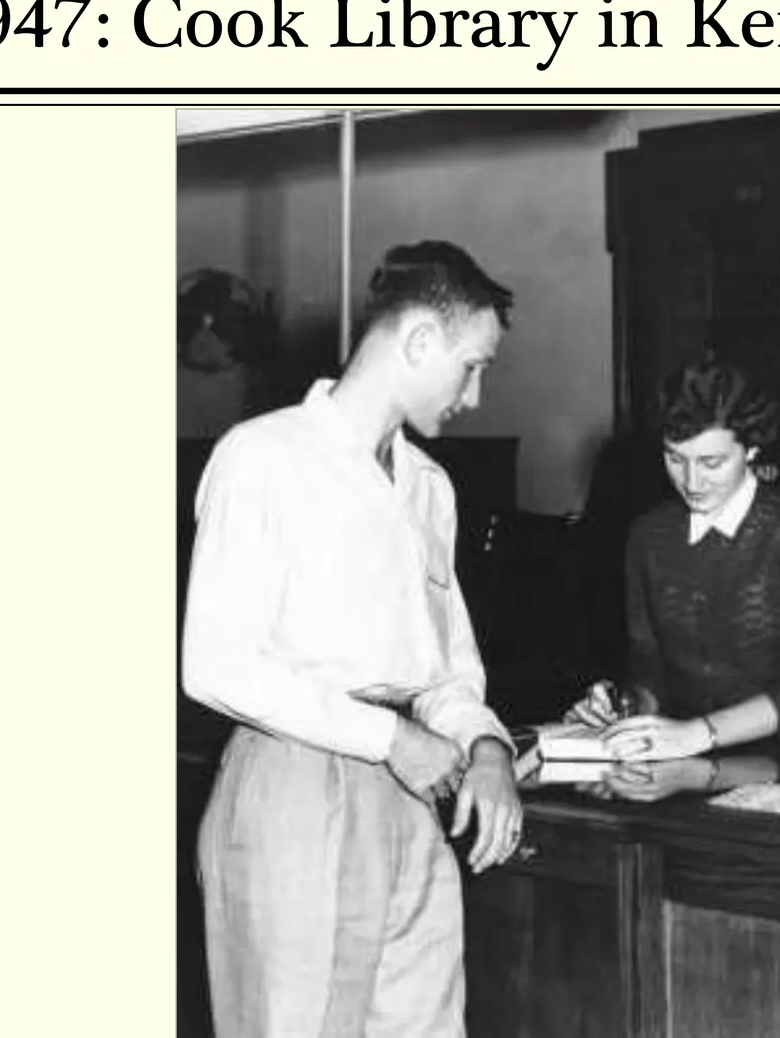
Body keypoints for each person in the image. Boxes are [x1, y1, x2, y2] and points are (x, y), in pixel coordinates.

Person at [182, 240, 525, 1038]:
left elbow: (447, 669)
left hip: (414, 793)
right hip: (295, 787)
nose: (475, 396)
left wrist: (487, 748)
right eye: (472, 366)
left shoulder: (430, 489)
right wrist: (387, 738)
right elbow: (215, 663)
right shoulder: (263, 457)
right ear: (418, 343)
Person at [567, 355, 780, 764]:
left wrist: (697, 735)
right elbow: (649, 670)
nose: (692, 482)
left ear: (751, 448)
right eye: (675, 459)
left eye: (712, 462)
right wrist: (622, 706)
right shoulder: (648, 535)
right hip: (679, 758)